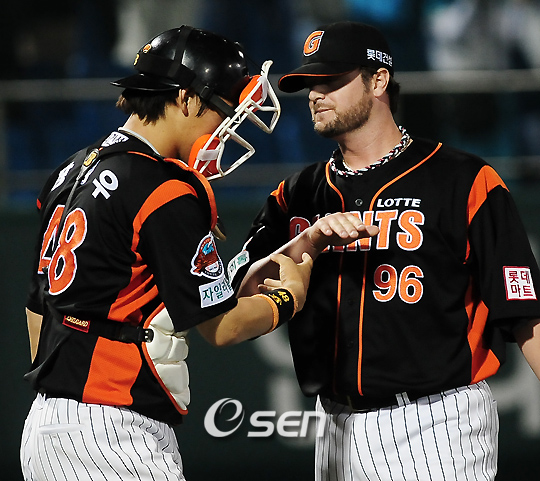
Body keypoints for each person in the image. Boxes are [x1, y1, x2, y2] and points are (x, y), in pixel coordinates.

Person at [20, 25, 375, 481]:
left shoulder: (70, 170)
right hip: (110, 431)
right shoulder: (163, 187)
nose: (223, 131)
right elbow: (222, 326)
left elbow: (38, 311)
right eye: (222, 113)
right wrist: (288, 298)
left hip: (48, 425)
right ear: (187, 99)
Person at [231, 21, 540, 481]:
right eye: (310, 84)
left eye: (331, 80)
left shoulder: (463, 180)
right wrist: (307, 241)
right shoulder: (295, 194)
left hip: (437, 423)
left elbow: (525, 312)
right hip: (334, 423)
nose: (316, 94)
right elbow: (235, 295)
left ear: (378, 80)